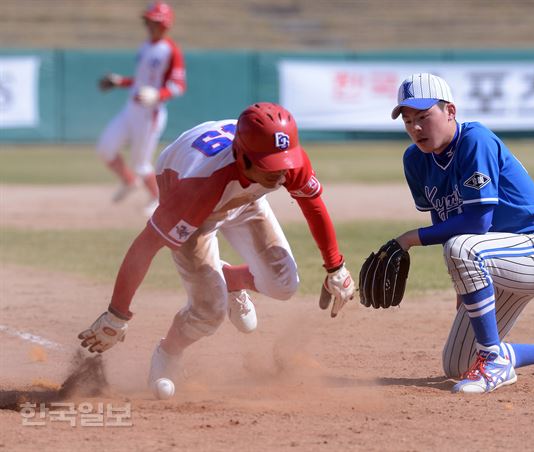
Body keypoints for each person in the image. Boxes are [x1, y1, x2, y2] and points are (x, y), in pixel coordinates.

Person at [78, 102, 356, 393]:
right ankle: (168, 353)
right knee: (208, 310)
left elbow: (312, 205)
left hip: (244, 198)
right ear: (242, 157)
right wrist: (117, 314)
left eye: (284, 163)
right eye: (270, 166)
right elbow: (145, 246)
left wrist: (336, 267)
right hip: (191, 195)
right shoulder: (199, 187)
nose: (281, 174)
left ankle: (231, 280)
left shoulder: (285, 159)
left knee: (284, 284)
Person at [387, 73, 534, 393]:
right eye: (408, 120)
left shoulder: (474, 139)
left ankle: (495, 362)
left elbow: (478, 223)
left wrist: (409, 238)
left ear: (450, 111)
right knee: (458, 365)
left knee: (461, 247)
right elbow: (446, 222)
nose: (416, 128)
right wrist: (463, 300)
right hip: (497, 261)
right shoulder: (415, 160)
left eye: (424, 117)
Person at [96, 1, 186, 216]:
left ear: (165, 25)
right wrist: (121, 82)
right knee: (105, 148)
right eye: (147, 21)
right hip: (131, 108)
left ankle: (159, 199)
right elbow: (142, 81)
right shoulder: (145, 46)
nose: (148, 25)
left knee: (141, 163)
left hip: (150, 113)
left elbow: (178, 86)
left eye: (153, 21)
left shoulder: (170, 50)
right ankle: (129, 182)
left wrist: (158, 94)